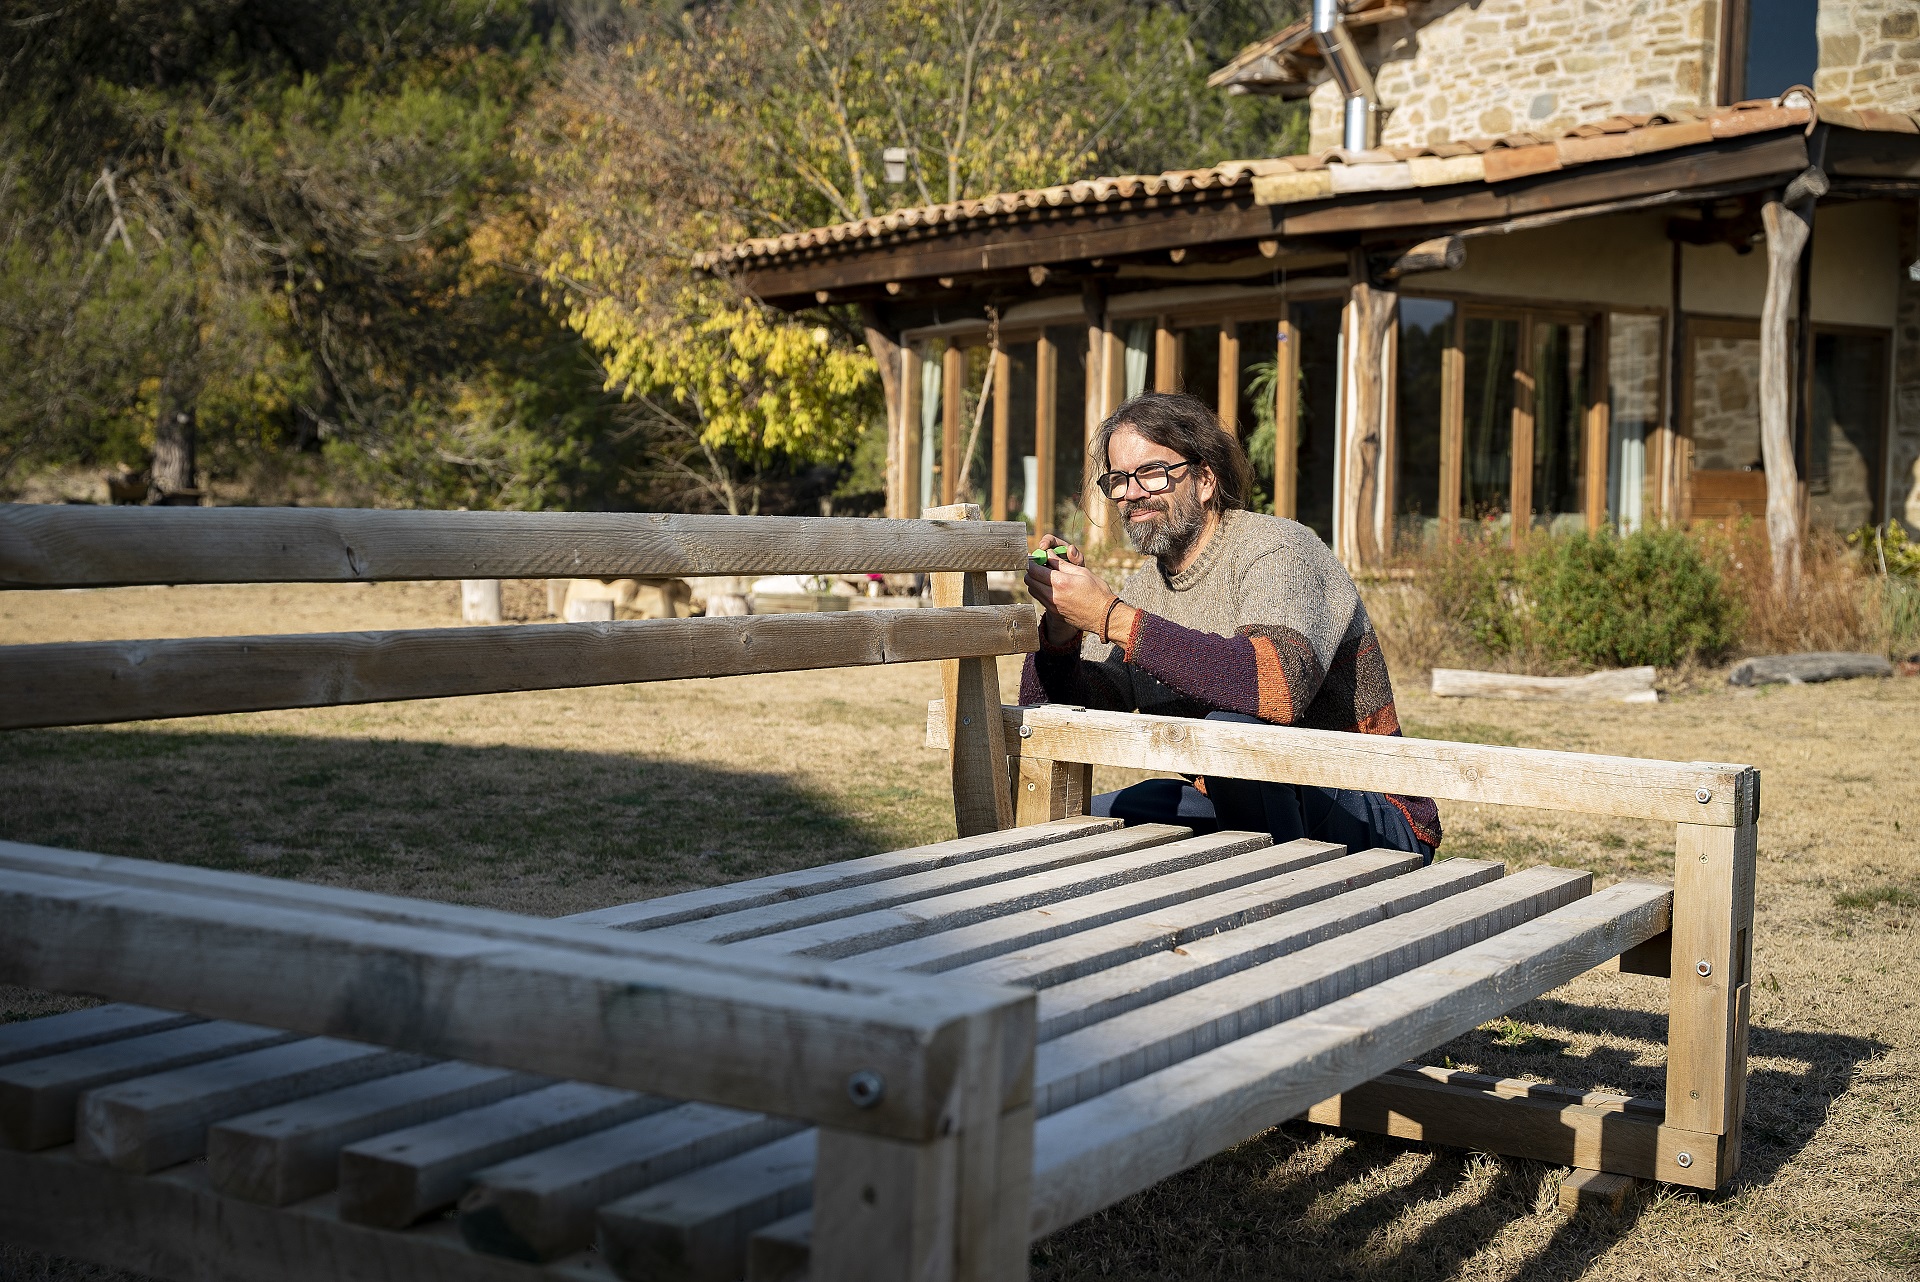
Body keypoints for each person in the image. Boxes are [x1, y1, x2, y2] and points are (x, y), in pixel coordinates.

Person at [1021, 391, 1440, 860]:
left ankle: (1273, 894)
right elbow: (1056, 714)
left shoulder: (1279, 551)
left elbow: (1278, 687)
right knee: (1086, 825)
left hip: (1373, 810)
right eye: (1118, 480)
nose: (1132, 494)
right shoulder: (1142, 590)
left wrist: (1111, 618)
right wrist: (1062, 630)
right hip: (1235, 800)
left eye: (1152, 473)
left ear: (1204, 480)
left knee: (1232, 730)